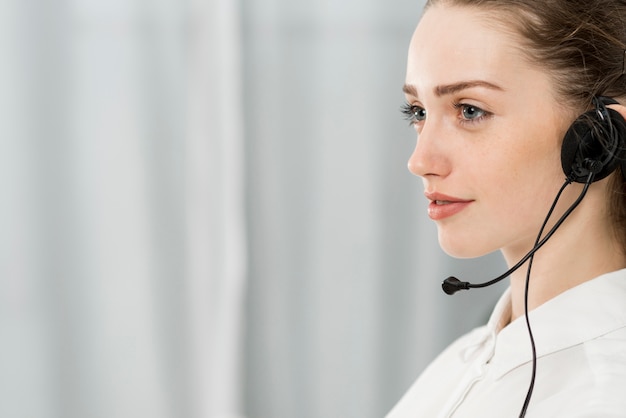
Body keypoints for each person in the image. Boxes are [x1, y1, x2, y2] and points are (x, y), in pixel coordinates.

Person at [387, 0, 626, 416]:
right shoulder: (463, 362)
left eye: (470, 110)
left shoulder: (602, 398)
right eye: (419, 112)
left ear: (599, 138)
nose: (420, 161)